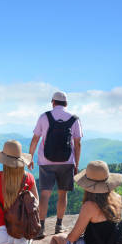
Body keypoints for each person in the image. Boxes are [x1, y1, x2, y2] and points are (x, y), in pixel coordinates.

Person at [36, 160, 122, 244]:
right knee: (67, 243)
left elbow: (72, 238)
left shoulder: (90, 205)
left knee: (56, 239)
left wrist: (67, 235)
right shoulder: (119, 200)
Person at [28, 91, 82, 234]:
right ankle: (59, 226)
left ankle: (41, 228)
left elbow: (35, 139)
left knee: (45, 194)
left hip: (46, 162)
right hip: (66, 162)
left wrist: (30, 157)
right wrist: (76, 163)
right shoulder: (74, 119)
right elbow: (77, 144)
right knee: (62, 195)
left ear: (53, 102)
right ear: (66, 104)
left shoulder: (44, 117)